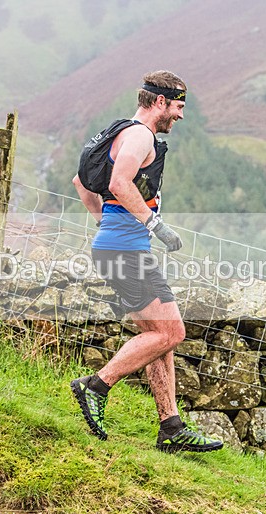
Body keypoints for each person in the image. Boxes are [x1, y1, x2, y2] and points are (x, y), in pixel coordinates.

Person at [69, 70, 223, 453]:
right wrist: (156, 226)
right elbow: (119, 183)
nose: (181, 116)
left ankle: (171, 427)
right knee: (172, 333)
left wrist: (107, 225)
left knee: (159, 336)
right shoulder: (140, 136)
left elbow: (81, 183)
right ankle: (95, 386)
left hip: (120, 247)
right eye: (178, 107)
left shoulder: (121, 131)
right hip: (126, 251)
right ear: (160, 102)